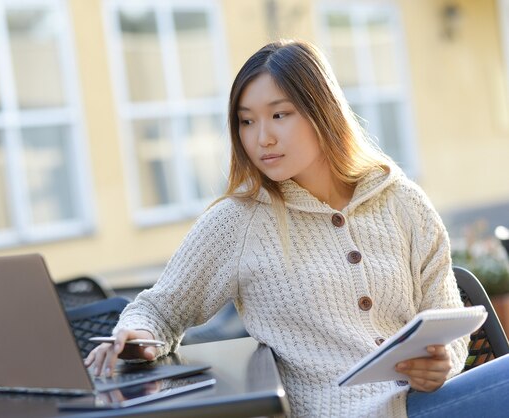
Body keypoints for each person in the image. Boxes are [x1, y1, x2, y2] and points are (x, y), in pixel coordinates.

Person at [86, 40, 509, 417]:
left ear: (322, 112)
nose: (262, 137)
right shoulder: (239, 221)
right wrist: (135, 336)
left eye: (280, 114)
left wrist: (440, 365)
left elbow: (449, 322)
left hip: (426, 403)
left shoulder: (403, 201)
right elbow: (160, 309)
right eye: (247, 121)